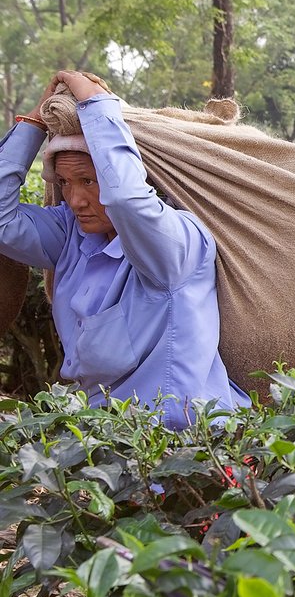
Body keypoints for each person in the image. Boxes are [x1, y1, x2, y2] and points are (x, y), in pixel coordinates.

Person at [0, 72, 250, 428]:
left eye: (88, 181)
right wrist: (36, 121)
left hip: (183, 443)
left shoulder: (176, 242)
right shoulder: (71, 234)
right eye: (65, 183)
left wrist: (99, 107)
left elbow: (126, 200)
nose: (76, 200)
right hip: (106, 440)